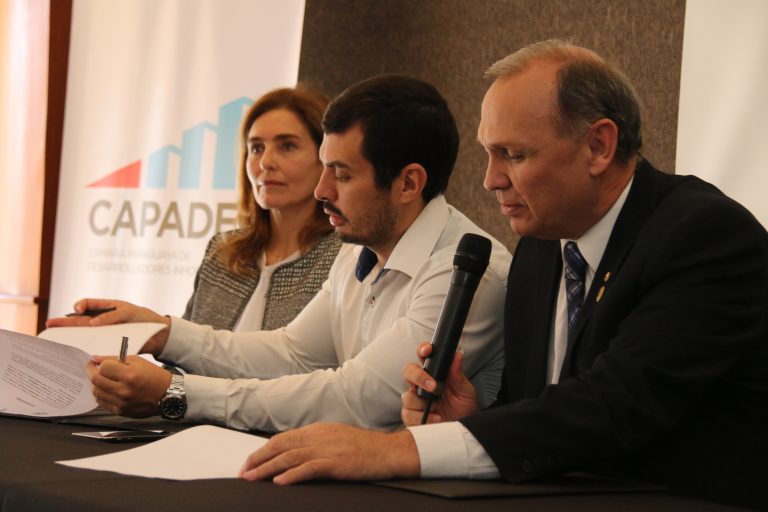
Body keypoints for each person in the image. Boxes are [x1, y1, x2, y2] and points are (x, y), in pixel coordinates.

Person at [238, 40, 768, 511]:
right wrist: (471, 418)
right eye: (489, 154)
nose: (491, 180)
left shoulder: (703, 236)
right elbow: (539, 409)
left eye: (513, 154)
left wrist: (397, 449)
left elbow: (613, 406)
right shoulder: (541, 247)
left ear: (598, 147)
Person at [48, 74, 511, 435]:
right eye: (324, 168)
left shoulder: (471, 274)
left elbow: (356, 398)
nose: (322, 191)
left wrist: (178, 393)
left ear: (408, 183)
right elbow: (292, 353)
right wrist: (162, 333)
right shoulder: (359, 250)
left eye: (342, 175)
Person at [184, 86, 342, 332]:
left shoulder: (343, 257)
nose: (266, 162)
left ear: (325, 158)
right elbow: (183, 347)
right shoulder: (222, 251)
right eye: (256, 148)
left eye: (287, 146)